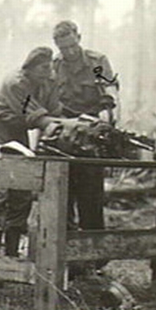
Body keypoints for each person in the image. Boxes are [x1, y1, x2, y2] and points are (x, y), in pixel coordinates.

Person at [0, 47, 62, 256]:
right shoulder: (17, 83)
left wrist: (63, 122)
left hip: (19, 133)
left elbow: (55, 111)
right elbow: (40, 118)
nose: (46, 72)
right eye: (42, 68)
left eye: (49, 67)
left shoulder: (48, 82)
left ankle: (12, 253)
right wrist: (59, 124)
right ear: (29, 68)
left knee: (21, 192)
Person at [51, 20, 120, 238]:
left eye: (72, 45)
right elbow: (47, 98)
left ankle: (93, 254)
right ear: (57, 46)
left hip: (90, 134)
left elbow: (109, 90)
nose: (69, 52)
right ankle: (64, 248)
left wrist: (106, 114)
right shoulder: (54, 66)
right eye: (64, 48)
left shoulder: (96, 62)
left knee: (90, 194)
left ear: (79, 38)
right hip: (63, 135)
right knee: (62, 194)